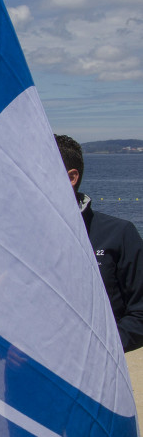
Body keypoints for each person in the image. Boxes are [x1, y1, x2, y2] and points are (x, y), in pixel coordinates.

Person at [55, 134, 143, 352]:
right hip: (22, 375)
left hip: (94, 378)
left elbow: (140, 313)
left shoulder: (119, 234)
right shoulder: (16, 234)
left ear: (71, 177)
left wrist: (98, 351)